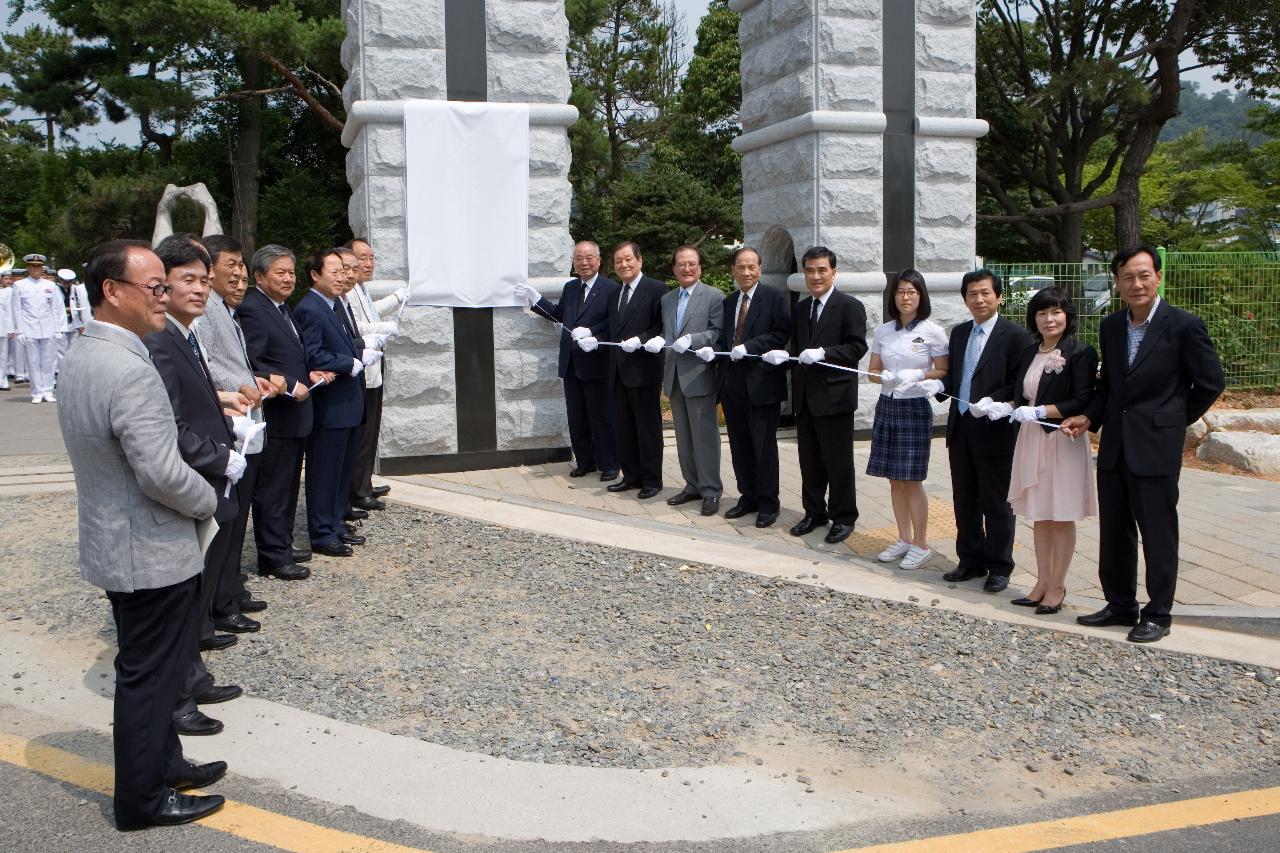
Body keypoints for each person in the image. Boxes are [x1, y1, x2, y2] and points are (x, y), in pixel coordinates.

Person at [58, 238, 226, 831]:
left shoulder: (83, 353)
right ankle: (143, 799)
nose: (164, 297)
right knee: (149, 678)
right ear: (112, 290)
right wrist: (212, 500)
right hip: (149, 548)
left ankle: (167, 764)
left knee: (150, 665)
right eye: (154, 287)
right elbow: (158, 470)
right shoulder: (129, 366)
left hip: (117, 539)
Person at [1063, 245, 1225, 643]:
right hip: (1116, 445)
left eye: (1143, 275)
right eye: (1127, 277)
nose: (1136, 284)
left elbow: (1210, 382)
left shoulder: (1184, 325)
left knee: (1157, 531)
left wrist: (1171, 419)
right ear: (1117, 283)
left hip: (1156, 445)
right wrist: (1091, 416)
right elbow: (1109, 386)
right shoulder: (1112, 326)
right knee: (1115, 530)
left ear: (1158, 277)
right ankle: (1120, 604)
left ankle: (1158, 613)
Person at [144, 236, 248, 736]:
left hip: (210, 476)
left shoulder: (185, 334)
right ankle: (179, 697)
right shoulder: (161, 340)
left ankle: (193, 674)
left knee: (198, 592)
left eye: (205, 281)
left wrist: (227, 414)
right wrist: (220, 457)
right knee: (184, 598)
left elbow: (198, 401)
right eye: (189, 280)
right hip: (191, 482)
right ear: (162, 285)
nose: (202, 290)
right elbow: (171, 424)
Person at [1002, 287, 1099, 615]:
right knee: (1041, 515)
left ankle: (1057, 585)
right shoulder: (1030, 351)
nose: (1049, 318)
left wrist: (1043, 411)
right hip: (1031, 437)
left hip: (1062, 439)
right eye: (1042, 313)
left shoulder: (1080, 352)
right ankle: (1041, 582)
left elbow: (1082, 399)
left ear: (1067, 316)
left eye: (1056, 312)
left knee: (1061, 514)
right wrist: (1007, 405)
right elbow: (1024, 393)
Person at [195, 233, 275, 622]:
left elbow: (234, 363)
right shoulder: (206, 308)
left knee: (235, 520)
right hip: (230, 424)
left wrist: (253, 381)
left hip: (247, 419)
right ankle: (220, 603)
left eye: (242, 265)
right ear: (209, 269)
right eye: (233, 265)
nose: (240, 273)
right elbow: (207, 366)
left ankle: (229, 590)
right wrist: (238, 388)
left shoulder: (224, 308)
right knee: (226, 522)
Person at [938, 269, 1033, 593]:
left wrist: (999, 401)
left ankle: (999, 566)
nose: (979, 299)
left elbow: (1019, 385)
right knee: (964, 498)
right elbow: (955, 377)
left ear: (999, 296)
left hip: (995, 430)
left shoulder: (1016, 336)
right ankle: (970, 560)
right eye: (972, 294)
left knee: (996, 502)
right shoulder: (960, 333)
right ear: (965, 299)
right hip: (961, 425)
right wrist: (937, 385)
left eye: (985, 293)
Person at [766, 246, 869, 544]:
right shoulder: (800, 308)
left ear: (834, 272)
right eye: (810, 270)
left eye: (822, 270)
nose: (816, 276)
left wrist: (825, 352)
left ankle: (844, 516)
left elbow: (856, 348)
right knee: (808, 460)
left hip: (835, 397)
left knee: (837, 462)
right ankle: (814, 512)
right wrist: (783, 356)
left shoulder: (849, 306)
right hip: (806, 397)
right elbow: (799, 352)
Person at [236, 245, 325, 581]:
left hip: (296, 416)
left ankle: (282, 543)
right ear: (259, 276)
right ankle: (272, 556)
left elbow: (290, 354)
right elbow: (254, 363)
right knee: (273, 489)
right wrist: (288, 383)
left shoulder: (280, 308)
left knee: (288, 486)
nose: (289, 279)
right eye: (280, 272)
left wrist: (308, 374)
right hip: (278, 415)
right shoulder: (253, 309)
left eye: (291, 272)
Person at [293, 248, 375, 557]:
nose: (341, 277)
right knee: (325, 473)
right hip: (330, 405)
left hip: (347, 404)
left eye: (343, 271)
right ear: (315, 275)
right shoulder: (310, 308)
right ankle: (322, 532)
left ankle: (336, 522)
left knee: (340, 471)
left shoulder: (333, 305)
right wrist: (347, 362)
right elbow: (313, 355)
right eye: (335, 272)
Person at [515, 240, 621, 482]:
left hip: (597, 363)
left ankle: (610, 464)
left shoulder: (611, 289)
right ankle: (585, 462)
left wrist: (595, 335)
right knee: (577, 417)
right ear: (573, 262)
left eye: (589, 258)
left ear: (598, 260)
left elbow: (614, 325)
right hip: (572, 364)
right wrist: (536, 300)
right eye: (579, 258)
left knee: (601, 417)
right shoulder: (571, 287)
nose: (584, 262)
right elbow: (559, 316)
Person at [865, 270, 949, 569]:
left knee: (911, 480)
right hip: (887, 406)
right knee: (894, 479)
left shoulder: (933, 331)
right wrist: (882, 375)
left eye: (912, 291)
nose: (906, 296)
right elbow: (873, 371)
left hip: (914, 407)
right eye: (900, 291)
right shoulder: (884, 331)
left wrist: (921, 374)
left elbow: (943, 369)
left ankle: (922, 544)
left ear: (921, 296)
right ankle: (904, 538)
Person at [717, 246, 790, 528]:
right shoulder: (729, 301)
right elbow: (724, 340)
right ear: (733, 270)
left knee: (763, 447)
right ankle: (747, 495)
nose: (746, 272)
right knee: (739, 445)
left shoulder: (774, 298)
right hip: (733, 384)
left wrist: (749, 347)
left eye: (752, 267)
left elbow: (781, 333)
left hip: (762, 384)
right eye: (740, 267)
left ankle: (769, 503)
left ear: (760, 268)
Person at [649, 246, 724, 515]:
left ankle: (711, 490)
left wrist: (694, 339)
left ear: (700, 267)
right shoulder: (667, 299)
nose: (687, 268)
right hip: (674, 376)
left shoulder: (714, 296)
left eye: (692, 264)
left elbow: (717, 332)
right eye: (681, 264)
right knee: (682, 436)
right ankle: (692, 484)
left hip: (699, 375)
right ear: (674, 269)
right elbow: (666, 331)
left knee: (705, 437)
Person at [604, 242, 667, 499]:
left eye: (628, 259)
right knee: (623, 427)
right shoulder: (614, 293)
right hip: (618, 371)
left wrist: (640, 339)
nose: (624, 264)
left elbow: (660, 326)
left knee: (647, 428)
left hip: (643, 371)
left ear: (640, 260)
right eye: (618, 261)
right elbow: (611, 330)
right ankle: (631, 476)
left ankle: (652, 480)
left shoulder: (657, 289)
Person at [345, 237, 405, 506]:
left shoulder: (362, 288)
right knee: (363, 434)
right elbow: (355, 326)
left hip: (374, 369)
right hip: (363, 369)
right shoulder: (347, 291)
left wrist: (395, 299)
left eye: (371, 258)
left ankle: (364, 483)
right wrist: (383, 329)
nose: (368, 264)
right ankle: (358, 490)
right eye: (362, 258)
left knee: (372, 432)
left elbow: (372, 312)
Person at [13, 253, 62, 403]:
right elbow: (17, 310)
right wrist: (19, 330)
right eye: (33, 266)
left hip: (48, 328)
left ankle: (47, 390)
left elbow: (56, 308)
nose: (35, 269)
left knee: (49, 361)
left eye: (38, 266)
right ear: (28, 267)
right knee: (33, 361)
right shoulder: (19, 285)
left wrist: (58, 328)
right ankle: (36, 392)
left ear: (42, 268)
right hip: (29, 328)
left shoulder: (50, 285)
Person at [54, 267, 91, 374]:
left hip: (74, 323)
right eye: (64, 281)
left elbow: (80, 306)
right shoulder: (55, 289)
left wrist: (80, 324)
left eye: (69, 282)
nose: (67, 284)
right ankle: (61, 371)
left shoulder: (75, 289)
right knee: (61, 349)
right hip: (61, 324)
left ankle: (71, 370)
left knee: (73, 349)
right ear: (59, 280)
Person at [0, 270, 16, 390]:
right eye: (5, 278)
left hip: (2, 328)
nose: (8, 281)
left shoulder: (8, 292)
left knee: (3, 356)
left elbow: (9, 311)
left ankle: (2, 380)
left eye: (9, 278)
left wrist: (10, 328)